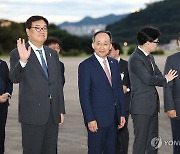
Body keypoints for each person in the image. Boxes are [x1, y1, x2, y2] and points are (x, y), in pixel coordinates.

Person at [9, 15, 65, 154]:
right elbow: (14, 78)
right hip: (32, 114)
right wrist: (23, 61)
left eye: (44, 28)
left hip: (52, 114)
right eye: (37, 28)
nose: (42, 31)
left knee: (51, 150)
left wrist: (60, 109)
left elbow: (57, 84)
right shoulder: (18, 53)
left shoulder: (52, 54)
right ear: (28, 31)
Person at [128, 26, 178, 154]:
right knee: (141, 142)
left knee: (153, 141)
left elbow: (159, 75)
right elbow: (148, 79)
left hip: (151, 106)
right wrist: (166, 79)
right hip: (141, 107)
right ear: (147, 42)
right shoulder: (135, 58)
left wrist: (167, 79)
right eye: (156, 41)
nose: (157, 44)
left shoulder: (150, 57)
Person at [78, 30, 126, 154]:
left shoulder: (114, 64)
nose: (102, 47)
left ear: (110, 46)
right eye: (98, 43)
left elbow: (118, 91)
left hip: (114, 118)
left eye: (105, 44)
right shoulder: (86, 66)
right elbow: (84, 95)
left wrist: (122, 113)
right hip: (96, 120)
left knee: (112, 150)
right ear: (93, 45)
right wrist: (90, 119)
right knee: (96, 150)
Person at [109, 42, 130, 154]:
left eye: (110, 50)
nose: (108, 52)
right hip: (108, 104)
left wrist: (127, 89)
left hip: (124, 103)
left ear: (117, 51)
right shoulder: (105, 64)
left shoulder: (127, 65)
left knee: (121, 130)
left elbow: (134, 83)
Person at [164, 32, 180, 154]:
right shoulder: (172, 59)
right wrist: (169, 107)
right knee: (178, 143)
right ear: (179, 42)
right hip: (178, 110)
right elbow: (168, 86)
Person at [0, 59, 13, 154]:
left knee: (1, 133)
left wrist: (8, 93)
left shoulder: (3, 64)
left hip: (3, 105)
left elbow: (9, 81)